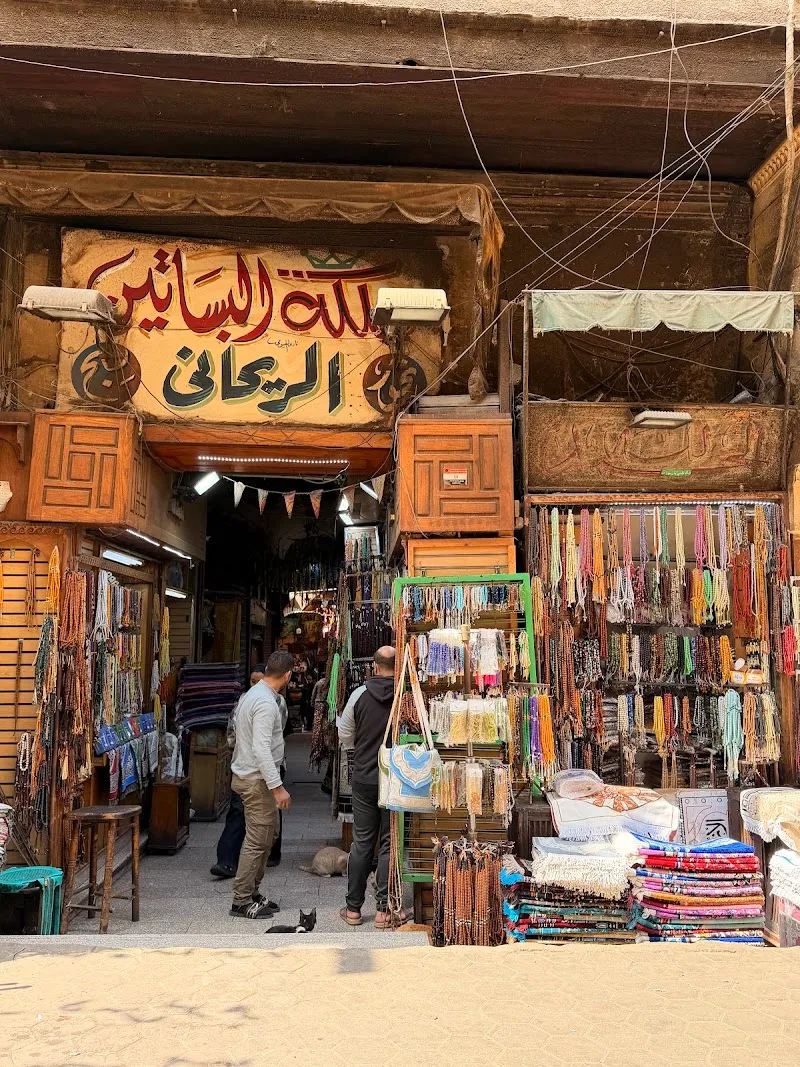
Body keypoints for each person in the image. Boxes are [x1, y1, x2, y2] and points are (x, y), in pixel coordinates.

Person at [338, 645, 405, 928]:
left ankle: (353, 909)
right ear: (396, 666)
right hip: (396, 779)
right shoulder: (404, 696)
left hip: (365, 777)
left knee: (363, 842)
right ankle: (383, 910)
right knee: (389, 841)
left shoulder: (358, 695)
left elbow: (344, 735)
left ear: (375, 667)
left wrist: (362, 750)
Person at [228, 650, 293, 919]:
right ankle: (241, 900)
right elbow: (262, 749)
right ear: (288, 675)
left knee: (267, 837)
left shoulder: (252, 695)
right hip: (257, 780)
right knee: (257, 840)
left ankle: (252, 893)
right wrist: (277, 787)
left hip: (252, 777)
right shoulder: (266, 703)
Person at [211, 664, 285, 878]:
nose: (256, 684)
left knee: (266, 822)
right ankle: (236, 874)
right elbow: (253, 741)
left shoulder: (269, 702)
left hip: (262, 769)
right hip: (252, 771)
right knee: (251, 823)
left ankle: (261, 862)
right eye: (253, 680)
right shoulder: (257, 701)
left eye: (259, 680)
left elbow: (274, 737)